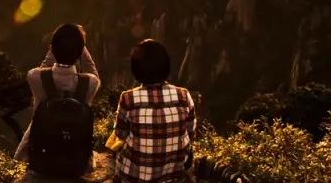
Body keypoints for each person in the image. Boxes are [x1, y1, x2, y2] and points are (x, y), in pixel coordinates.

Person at [15, 23, 101, 181]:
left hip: (40, 156)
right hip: (76, 159)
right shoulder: (90, 83)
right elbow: (91, 69)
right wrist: (80, 47)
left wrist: (54, 48)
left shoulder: (35, 77)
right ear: (80, 53)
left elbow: (44, 67)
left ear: (52, 49)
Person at [111, 39, 196, 183]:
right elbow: (191, 133)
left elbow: (120, 134)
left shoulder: (128, 98)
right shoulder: (183, 95)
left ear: (136, 69)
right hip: (174, 176)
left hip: (135, 177)